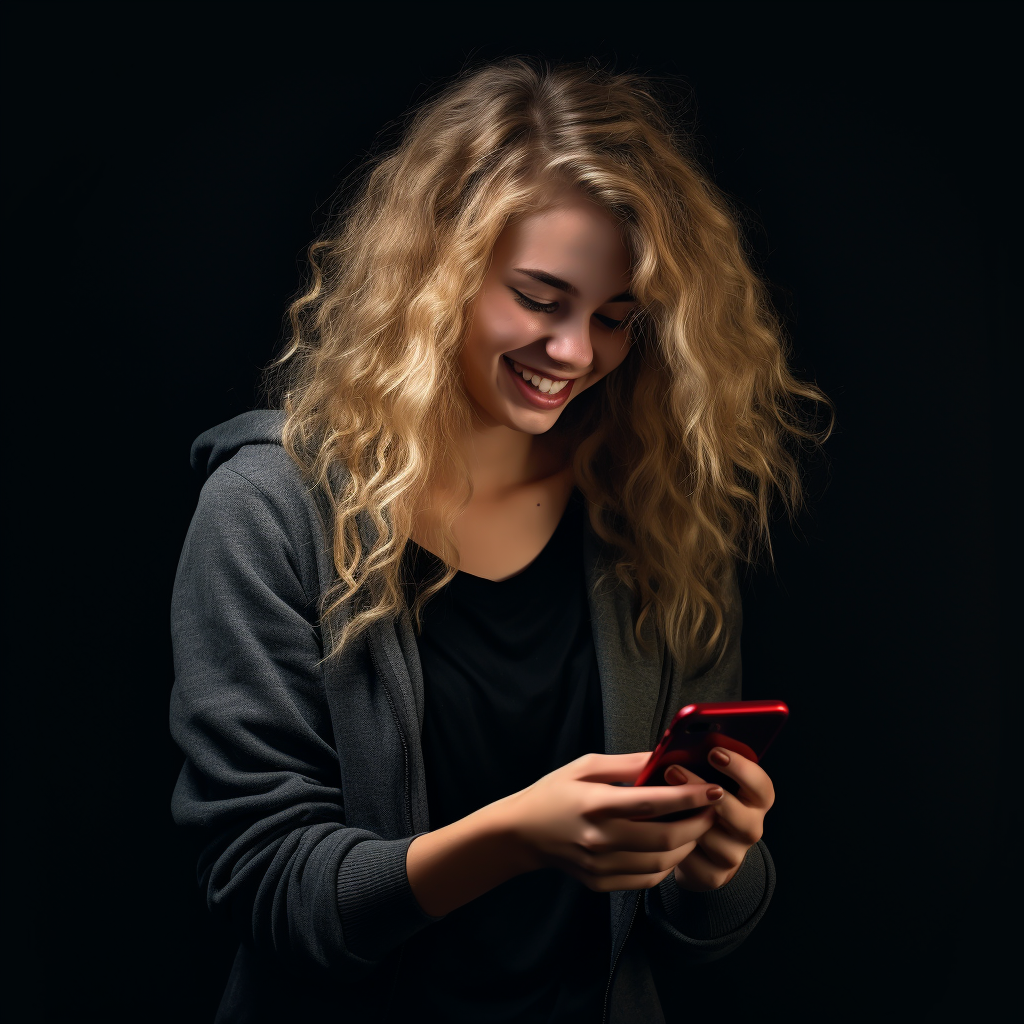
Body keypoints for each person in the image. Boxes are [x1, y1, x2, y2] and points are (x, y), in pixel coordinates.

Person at [170, 58, 830, 1023]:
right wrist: (515, 836)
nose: (575, 353)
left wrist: (715, 867)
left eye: (615, 319)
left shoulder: (655, 518)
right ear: (439, 272)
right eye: (539, 297)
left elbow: (702, 935)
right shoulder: (269, 507)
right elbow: (263, 884)